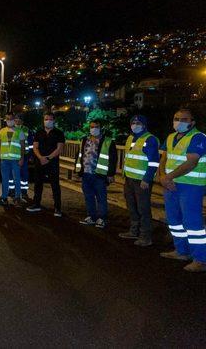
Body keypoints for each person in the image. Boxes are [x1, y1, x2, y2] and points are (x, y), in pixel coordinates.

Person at [159, 109, 206, 272]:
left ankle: (201, 259)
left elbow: (192, 162)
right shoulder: (171, 137)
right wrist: (162, 177)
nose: (179, 121)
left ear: (192, 122)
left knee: (192, 223)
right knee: (174, 221)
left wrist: (168, 177)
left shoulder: (198, 137)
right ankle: (181, 251)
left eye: (184, 119)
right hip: (171, 184)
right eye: (176, 118)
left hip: (191, 186)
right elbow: (164, 158)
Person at [118, 115, 159, 247]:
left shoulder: (150, 139)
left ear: (144, 125)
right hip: (129, 178)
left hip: (141, 181)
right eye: (133, 122)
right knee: (131, 207)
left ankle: (145, 236)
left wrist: (147, 179)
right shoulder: (130, 138)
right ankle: (134, 231)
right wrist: (125, 174)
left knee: (143, 208)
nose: (135, 125)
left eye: (138, 123)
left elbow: (153, 162)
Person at [75, 120, 117, 229]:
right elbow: (79, 155)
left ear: (100, 128)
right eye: (92, 126)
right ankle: (91, 216)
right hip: (86, 173)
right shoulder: (85, 140)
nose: (94, 129)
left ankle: (101, 218)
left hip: (100, 174)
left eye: (96, 126)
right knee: (88, 196)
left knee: (101, 197)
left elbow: (113, 159)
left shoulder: (108, 141)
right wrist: (78, 170)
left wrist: (111, 174)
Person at [29, 112, 65, 215]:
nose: (48, 121)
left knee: (55, 185)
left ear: (54, 120)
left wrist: (48, 158)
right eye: (46, 119)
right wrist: (40, 157)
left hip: (52, 162)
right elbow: (35, 146)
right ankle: (36, 204)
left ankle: (57, 208)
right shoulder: (39, 132)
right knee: (38, 184)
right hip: (39, 162)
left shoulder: (59, 133)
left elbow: (59, 148)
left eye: (50, 119)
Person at [0, 113, 25, 207]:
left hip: (15, 160)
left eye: (11, 119)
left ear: (14, 119)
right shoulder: (1, 131)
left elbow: (23, 146)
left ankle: (17, 198)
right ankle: (4, 198)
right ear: (5, 119)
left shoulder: (20, 131)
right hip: (4, 160)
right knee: (4, 180)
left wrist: (22, 158)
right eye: (7, 119)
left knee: (17, 179)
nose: (9, 120)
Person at [13, 116, 33, 199]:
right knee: (13, 174)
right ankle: (13, 191)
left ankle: (24, 192)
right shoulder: (10, 129)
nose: (17, 121)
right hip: (13, 155)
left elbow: (31, 144)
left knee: (24, 174)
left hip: (25, 155)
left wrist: (31, 155)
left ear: (22, 121)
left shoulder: (27, 130)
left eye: (19, 119)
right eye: (16, 119)